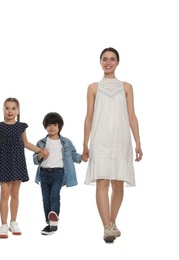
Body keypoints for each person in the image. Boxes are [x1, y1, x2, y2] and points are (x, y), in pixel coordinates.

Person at [82, 47, 143, 243]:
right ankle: (106, 227)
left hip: (120, 139)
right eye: (105, 59)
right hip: (100, 139)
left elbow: (132, 116)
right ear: (100, 62)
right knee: (102, 182)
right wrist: (85, 142)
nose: (108, 63)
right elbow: (89, 117)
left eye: (112, 59)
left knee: (117, 183)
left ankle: (112, 221)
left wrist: (138, 142)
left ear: (117, 62)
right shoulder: (93, 87)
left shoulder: (126, 87)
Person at [0, 97, 48, 238]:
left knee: (15, 194)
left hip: (17, 162)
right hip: (3, 163)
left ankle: (13, 222)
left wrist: (40, 150)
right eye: (7, 108)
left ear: (18, 111)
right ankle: (3, 225)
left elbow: (26, 143)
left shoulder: (21, 126)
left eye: (13, 108)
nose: (10, 111)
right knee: (4, 194)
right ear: (3, 110)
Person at [33, 112, 83, 235]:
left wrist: (82, 157)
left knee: (54, 196)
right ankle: (49, 223)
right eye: (49, 125)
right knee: (46, 199)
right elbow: (35, 160)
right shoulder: (41, 143)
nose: (52, 127)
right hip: (44, 174)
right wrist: (41, 154)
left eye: (54, 125)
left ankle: (53, 221)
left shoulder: (66, 142)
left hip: (59, 173)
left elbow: (73, 155)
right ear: (45, 126)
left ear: (59, 126)